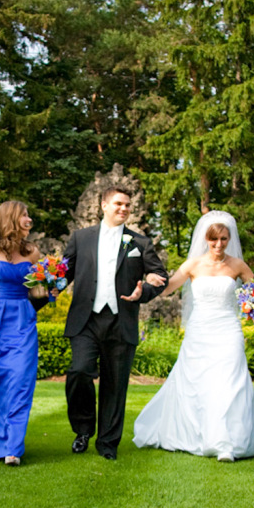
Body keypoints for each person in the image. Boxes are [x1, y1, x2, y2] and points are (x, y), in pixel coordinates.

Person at [132, 211, 254, 462]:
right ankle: (200, 436)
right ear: (206, 239)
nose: (219, 244)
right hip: (200, 330)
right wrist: (146, 284)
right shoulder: (192, 265)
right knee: (198, 382)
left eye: (223, 239)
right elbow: (167, 289)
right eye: (214, 239)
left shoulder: (237, 265)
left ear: (229, 239)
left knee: (231, 381)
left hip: (228, 329)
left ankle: (229, 442)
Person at [63, 185, 168, 460]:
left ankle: (108, 443)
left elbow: (160, 277)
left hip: (122, 321)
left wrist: (145, 289)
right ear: (104, 205)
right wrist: (43, 288)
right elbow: (63, 273)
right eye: (119, 203)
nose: (124, 208)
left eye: (127, 205)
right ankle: (83, 429)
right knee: (79, 371)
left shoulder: (140, 243)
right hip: (85, 320)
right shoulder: (81, 238)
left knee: (115, 384)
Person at [0, 201, 52, 466]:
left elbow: (39, 290)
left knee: (20, 381)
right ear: (10, 219)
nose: (29, 219)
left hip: (22, 322)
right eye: (24, 215)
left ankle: (13, 448)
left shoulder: (32, 252)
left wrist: (51, 288)